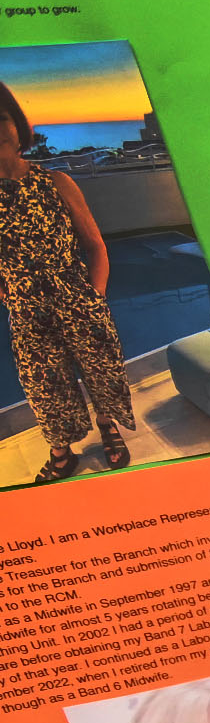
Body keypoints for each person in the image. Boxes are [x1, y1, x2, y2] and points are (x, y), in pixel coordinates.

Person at [0, 80, 134, 486]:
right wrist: (10, 297)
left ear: (17, 125)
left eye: (1, 117)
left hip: (78, 300)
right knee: (45, 390)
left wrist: (94, 298)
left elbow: (96, 246)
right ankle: (63, 453)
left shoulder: (56, 183)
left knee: (102, 373)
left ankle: (107, 426)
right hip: (27, 315)